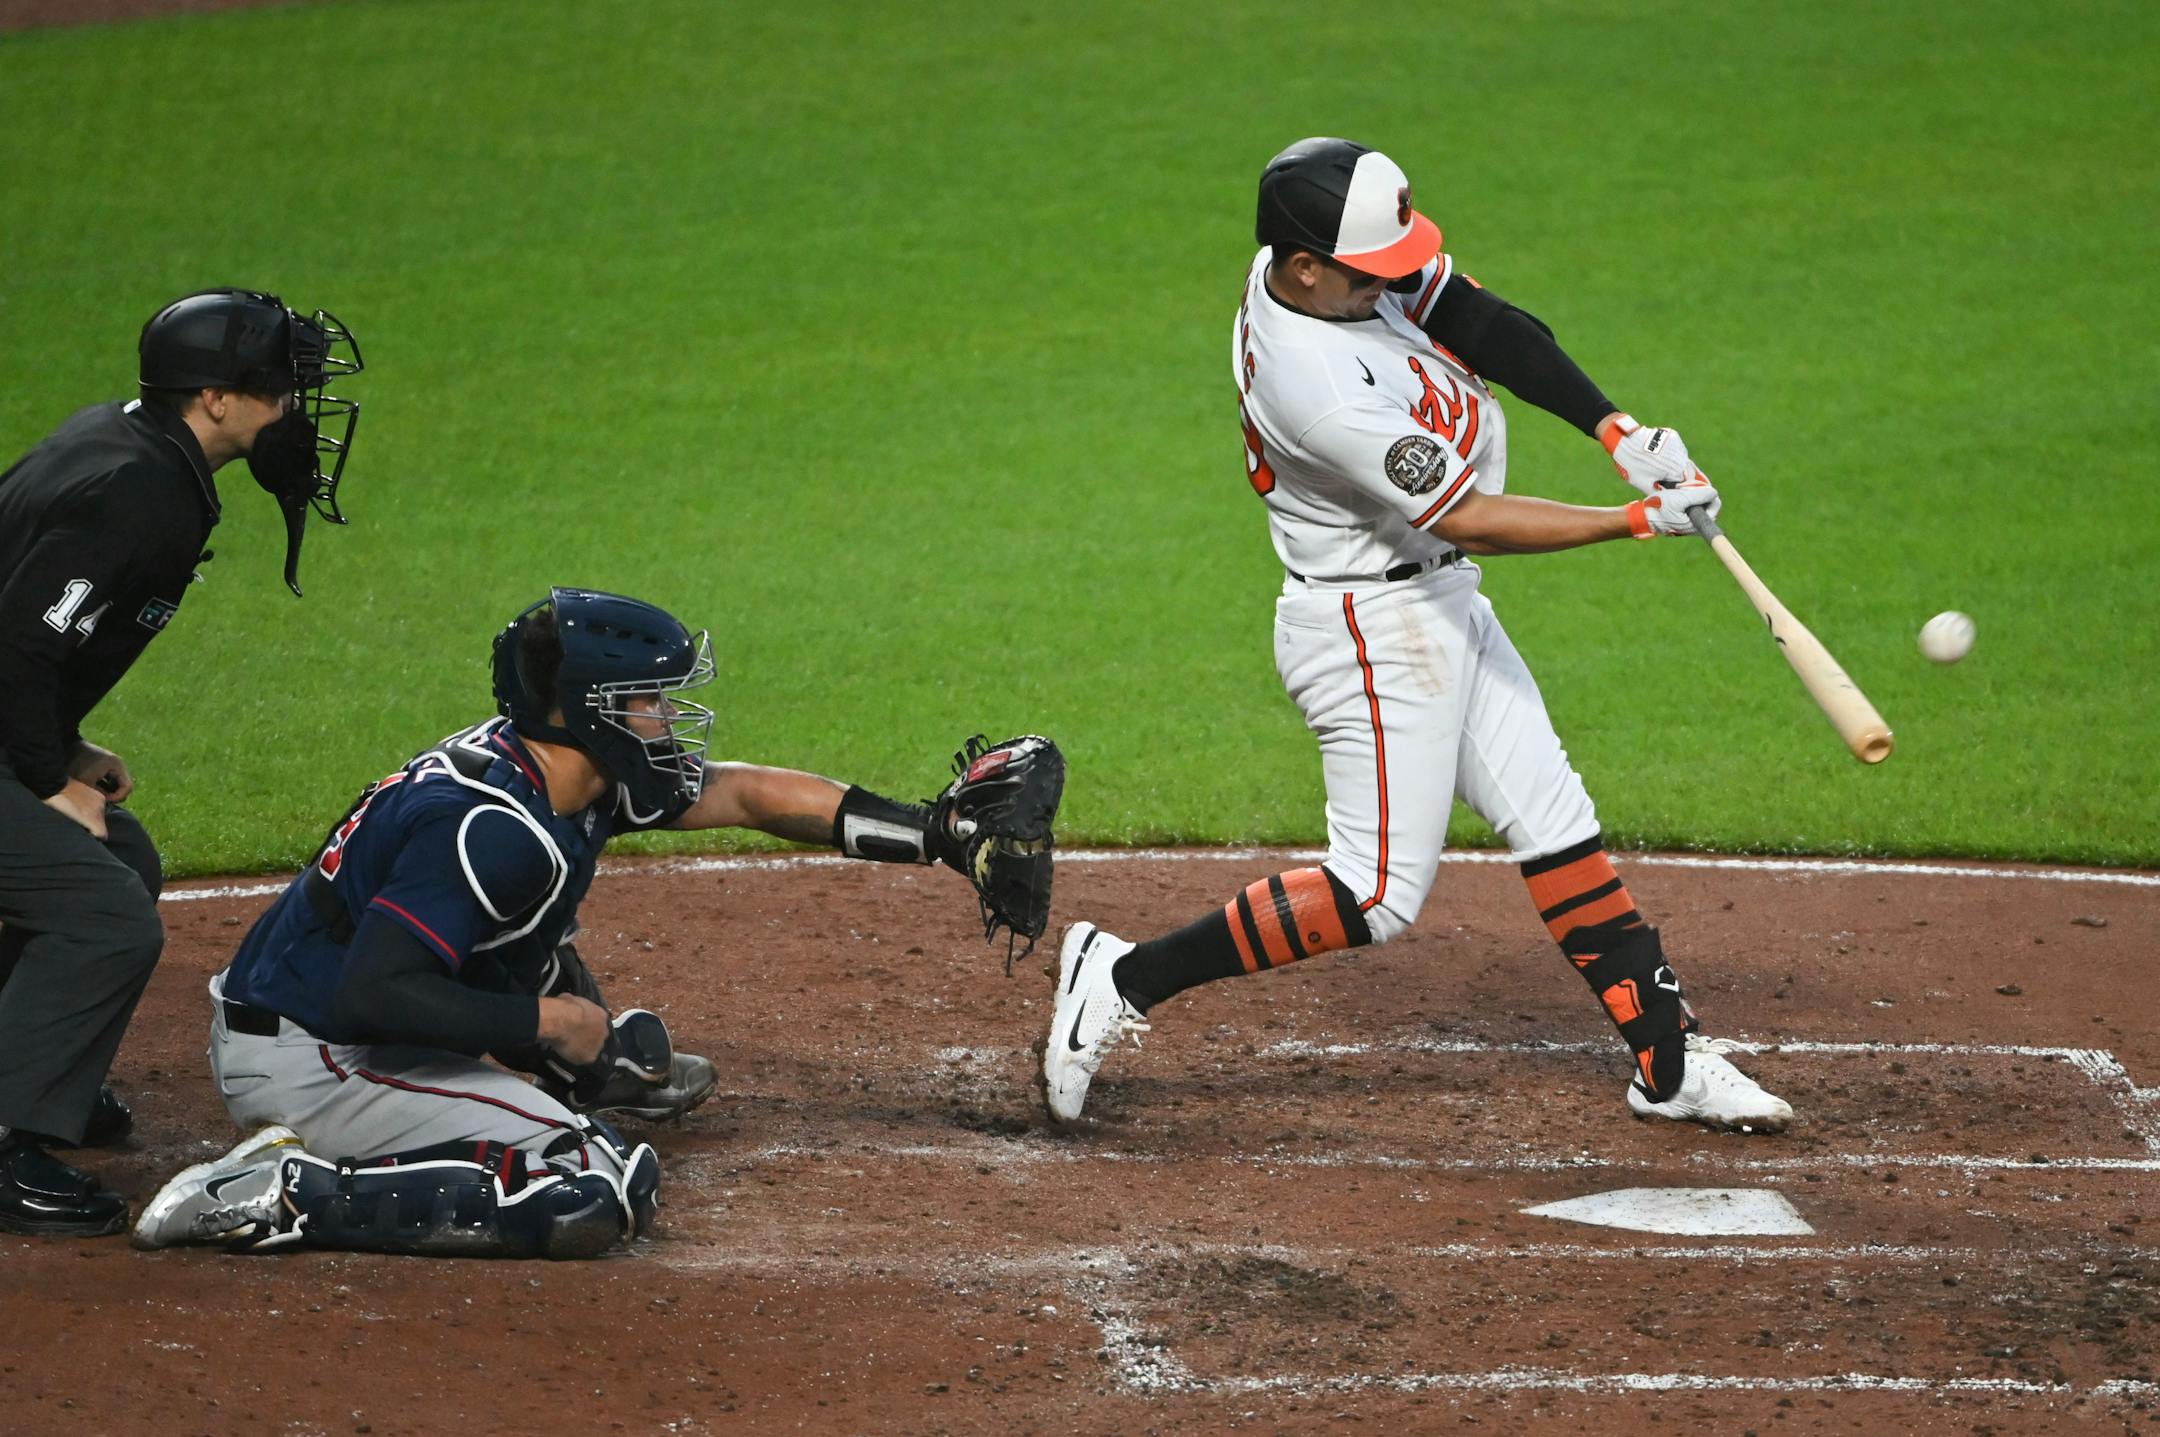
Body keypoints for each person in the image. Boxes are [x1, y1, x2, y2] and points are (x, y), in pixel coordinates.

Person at [1042, 137, 1793, 1134]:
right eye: (1374, 276)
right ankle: (1123, 977)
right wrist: (1634, 522)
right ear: (1304, 268)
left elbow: (1480, 318)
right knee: (1377, 895)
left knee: (1554, 821)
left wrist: (1617, 432)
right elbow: (1470, 516)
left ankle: (1671, 1062)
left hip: (1438, 603)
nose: (1396, 287)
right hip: (1371, 627)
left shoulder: (1321, 268)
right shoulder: (1313, 381)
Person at [133, 587, 1061, 1258]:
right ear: (588, 712)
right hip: (316, 1057)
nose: (667, 720)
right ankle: (285, 1191)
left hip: (311, 1010)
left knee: (541, 955)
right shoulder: (498, 833)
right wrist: (547, 1027)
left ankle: (580, 1064)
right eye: (648, 703)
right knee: (594, 1186)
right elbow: (376, 988)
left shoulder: (558, 770)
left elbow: (745, 792)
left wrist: (933, 833)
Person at [0, 289, 365, 1236]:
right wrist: (45, 778)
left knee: (122, 858)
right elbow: (21, 645)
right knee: (106, 915)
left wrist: (63, 748)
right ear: (214, 399)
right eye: (281, 390)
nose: (295, 410)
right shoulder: (138, 487)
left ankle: (36, 1072)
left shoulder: (132, 445)